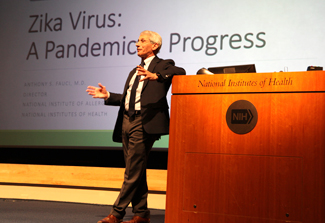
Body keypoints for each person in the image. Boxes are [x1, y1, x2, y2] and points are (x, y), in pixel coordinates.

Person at [86, 30, 186, 223]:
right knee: (136, 169)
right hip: (126, 121)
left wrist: (157, 76)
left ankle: (117, 213)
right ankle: (141, 213)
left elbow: (180, 72)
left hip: (144, 122)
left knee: (132, 170)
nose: (137, 44)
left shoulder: (163, 65)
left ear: (154, 45)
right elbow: (128, 99)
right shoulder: (135, 70)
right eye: (137, 41)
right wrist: (108, 96)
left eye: (142, 41)